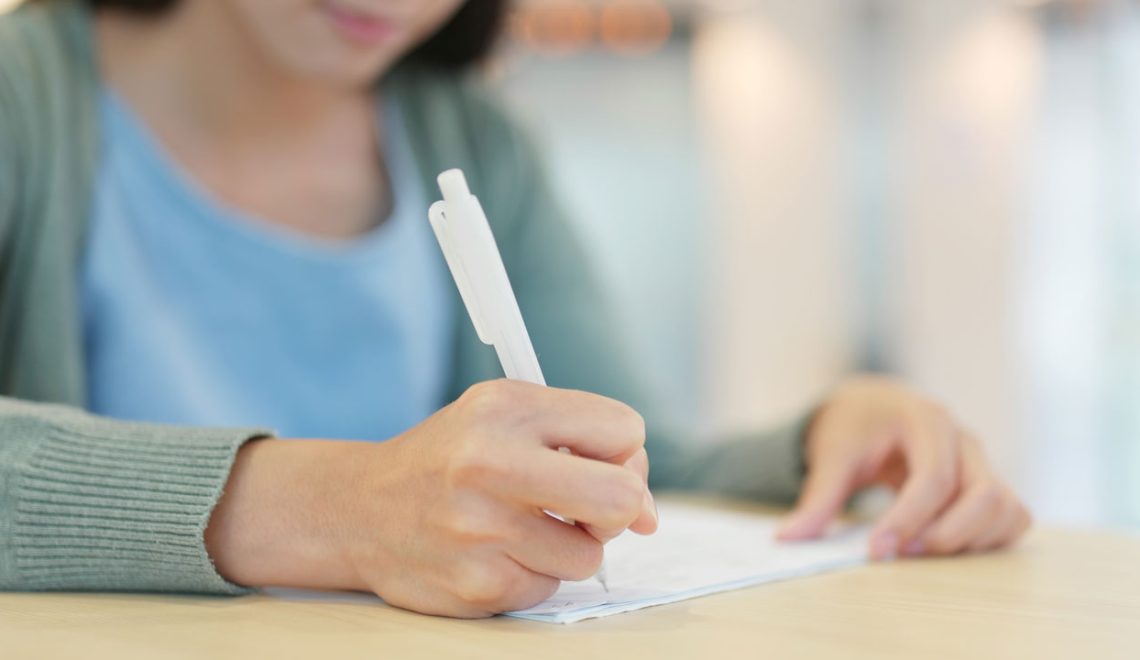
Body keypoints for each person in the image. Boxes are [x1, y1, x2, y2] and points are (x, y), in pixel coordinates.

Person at [0, 0, 1030, 619]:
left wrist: (817, 453)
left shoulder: (476, 141)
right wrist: (344, 509)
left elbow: (619, 467)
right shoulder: (25, 99)